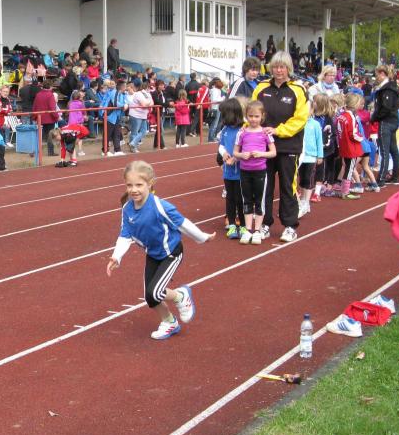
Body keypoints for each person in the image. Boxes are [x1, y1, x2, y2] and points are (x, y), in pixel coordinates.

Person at [106, 160, 215, 340]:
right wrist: (116, 257)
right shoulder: (127, 208)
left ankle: (180, 296)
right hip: (153, 254)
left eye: (139, 185)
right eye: (129, 185)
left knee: (155, 292)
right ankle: (169, 322)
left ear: (150, 183)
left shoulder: (160, 207)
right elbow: (125, 235)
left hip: (171, 253)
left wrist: (202, 238)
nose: (134, 190)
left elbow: (183, 224)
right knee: (150, 297)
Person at [253, 51, 308, 243]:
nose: (278, 70)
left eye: (282, 67)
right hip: (264, 148)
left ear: (288, 68)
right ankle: (265, 223)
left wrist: (278, 130)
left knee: (287, 186)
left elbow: (300, 119)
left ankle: (290, 226)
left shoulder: (298, 90)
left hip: (288, 147)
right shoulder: (261, 87)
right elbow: (251, 112)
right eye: (275, 66)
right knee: (264, 187)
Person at [234, 100, 277, 245]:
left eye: (256, 116)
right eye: (250, 116)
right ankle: (248, 229)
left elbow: (273, 152)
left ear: (262, 116)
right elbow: (235, 152)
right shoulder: (242, 133)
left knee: (259, 201)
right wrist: (241, 155)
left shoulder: (265, 133)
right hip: (245, 171)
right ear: (246, 116)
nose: (253, 119)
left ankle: (257, 230)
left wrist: (261, 154)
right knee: (246, 200)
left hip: (260, 172)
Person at [217, 98, 245, 239]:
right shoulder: (225, 130)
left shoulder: (243, 130)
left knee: (241, 199)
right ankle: (232, 224)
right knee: (230, 198)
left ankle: (244, 225)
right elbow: (221, 145)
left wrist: (236, 158)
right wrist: (224, 154)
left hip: (241, 171)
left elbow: (247, 148)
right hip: (228, 172)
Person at [371, 64, 399, 187]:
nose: (376, 78)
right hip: (393, 121)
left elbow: (386, 108)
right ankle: (395, 176)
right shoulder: (393, 87)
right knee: (393, 150)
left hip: (386, 121)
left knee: (384, 151)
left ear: (382, 74)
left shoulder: (387, 89)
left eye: (377, 75)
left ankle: (381, 179)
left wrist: (375, 117)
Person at [297, 98, 324, 218]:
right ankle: (303, 200)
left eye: (308, 109)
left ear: (312, 110)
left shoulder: (315, 124)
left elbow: (319, 140)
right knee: (301, 179)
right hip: (300, 156)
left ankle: (306, 201)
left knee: (308, 179)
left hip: (311, 157)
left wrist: (320, 155)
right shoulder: (298, 123)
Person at [32, 81, 60, 156]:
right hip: (49, 119)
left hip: (40, 118)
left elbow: (34, 106)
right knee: (50, 136)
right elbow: (52, 108)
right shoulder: (50, 95)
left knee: (38, 136)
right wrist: (57, 117)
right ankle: (50, 152)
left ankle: (33, 151)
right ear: (50, 87)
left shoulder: (38, 94)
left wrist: (34, 117)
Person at [128, 81, 153, 153]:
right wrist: (149, 102)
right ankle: (133, 147)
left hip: (143, 115)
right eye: (149, 88)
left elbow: (152, 103)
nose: (149, 89)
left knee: (144, 131)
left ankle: (132, 143)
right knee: (134, 132)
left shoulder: (148, 94)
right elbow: (144, 104)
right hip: (135, 115)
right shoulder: (138, 94)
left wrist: (148, 102)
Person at [66, 91, 87, 156]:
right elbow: (84, 112)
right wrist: (85, 117)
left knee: (73, 137)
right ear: (78, 97)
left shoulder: (70, 103)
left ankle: (71, 149)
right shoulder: (80, 103)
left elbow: (67, 112)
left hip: (71, 122)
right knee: (80, 136)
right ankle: (80, 150)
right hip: (78, 122)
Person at [152, 80, 168, 150]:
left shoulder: (163, 93)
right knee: (160, 129)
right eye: (160, 85)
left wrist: (168, 103)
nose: (162, 86)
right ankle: (162, 145)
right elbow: (157, 102)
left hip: (163, 112)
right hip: (157, 112)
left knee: (159, 129)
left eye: (163, 85)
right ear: (157, 86)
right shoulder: (155, 93)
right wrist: (167, 104)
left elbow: (165, 101)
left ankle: (155, 144)